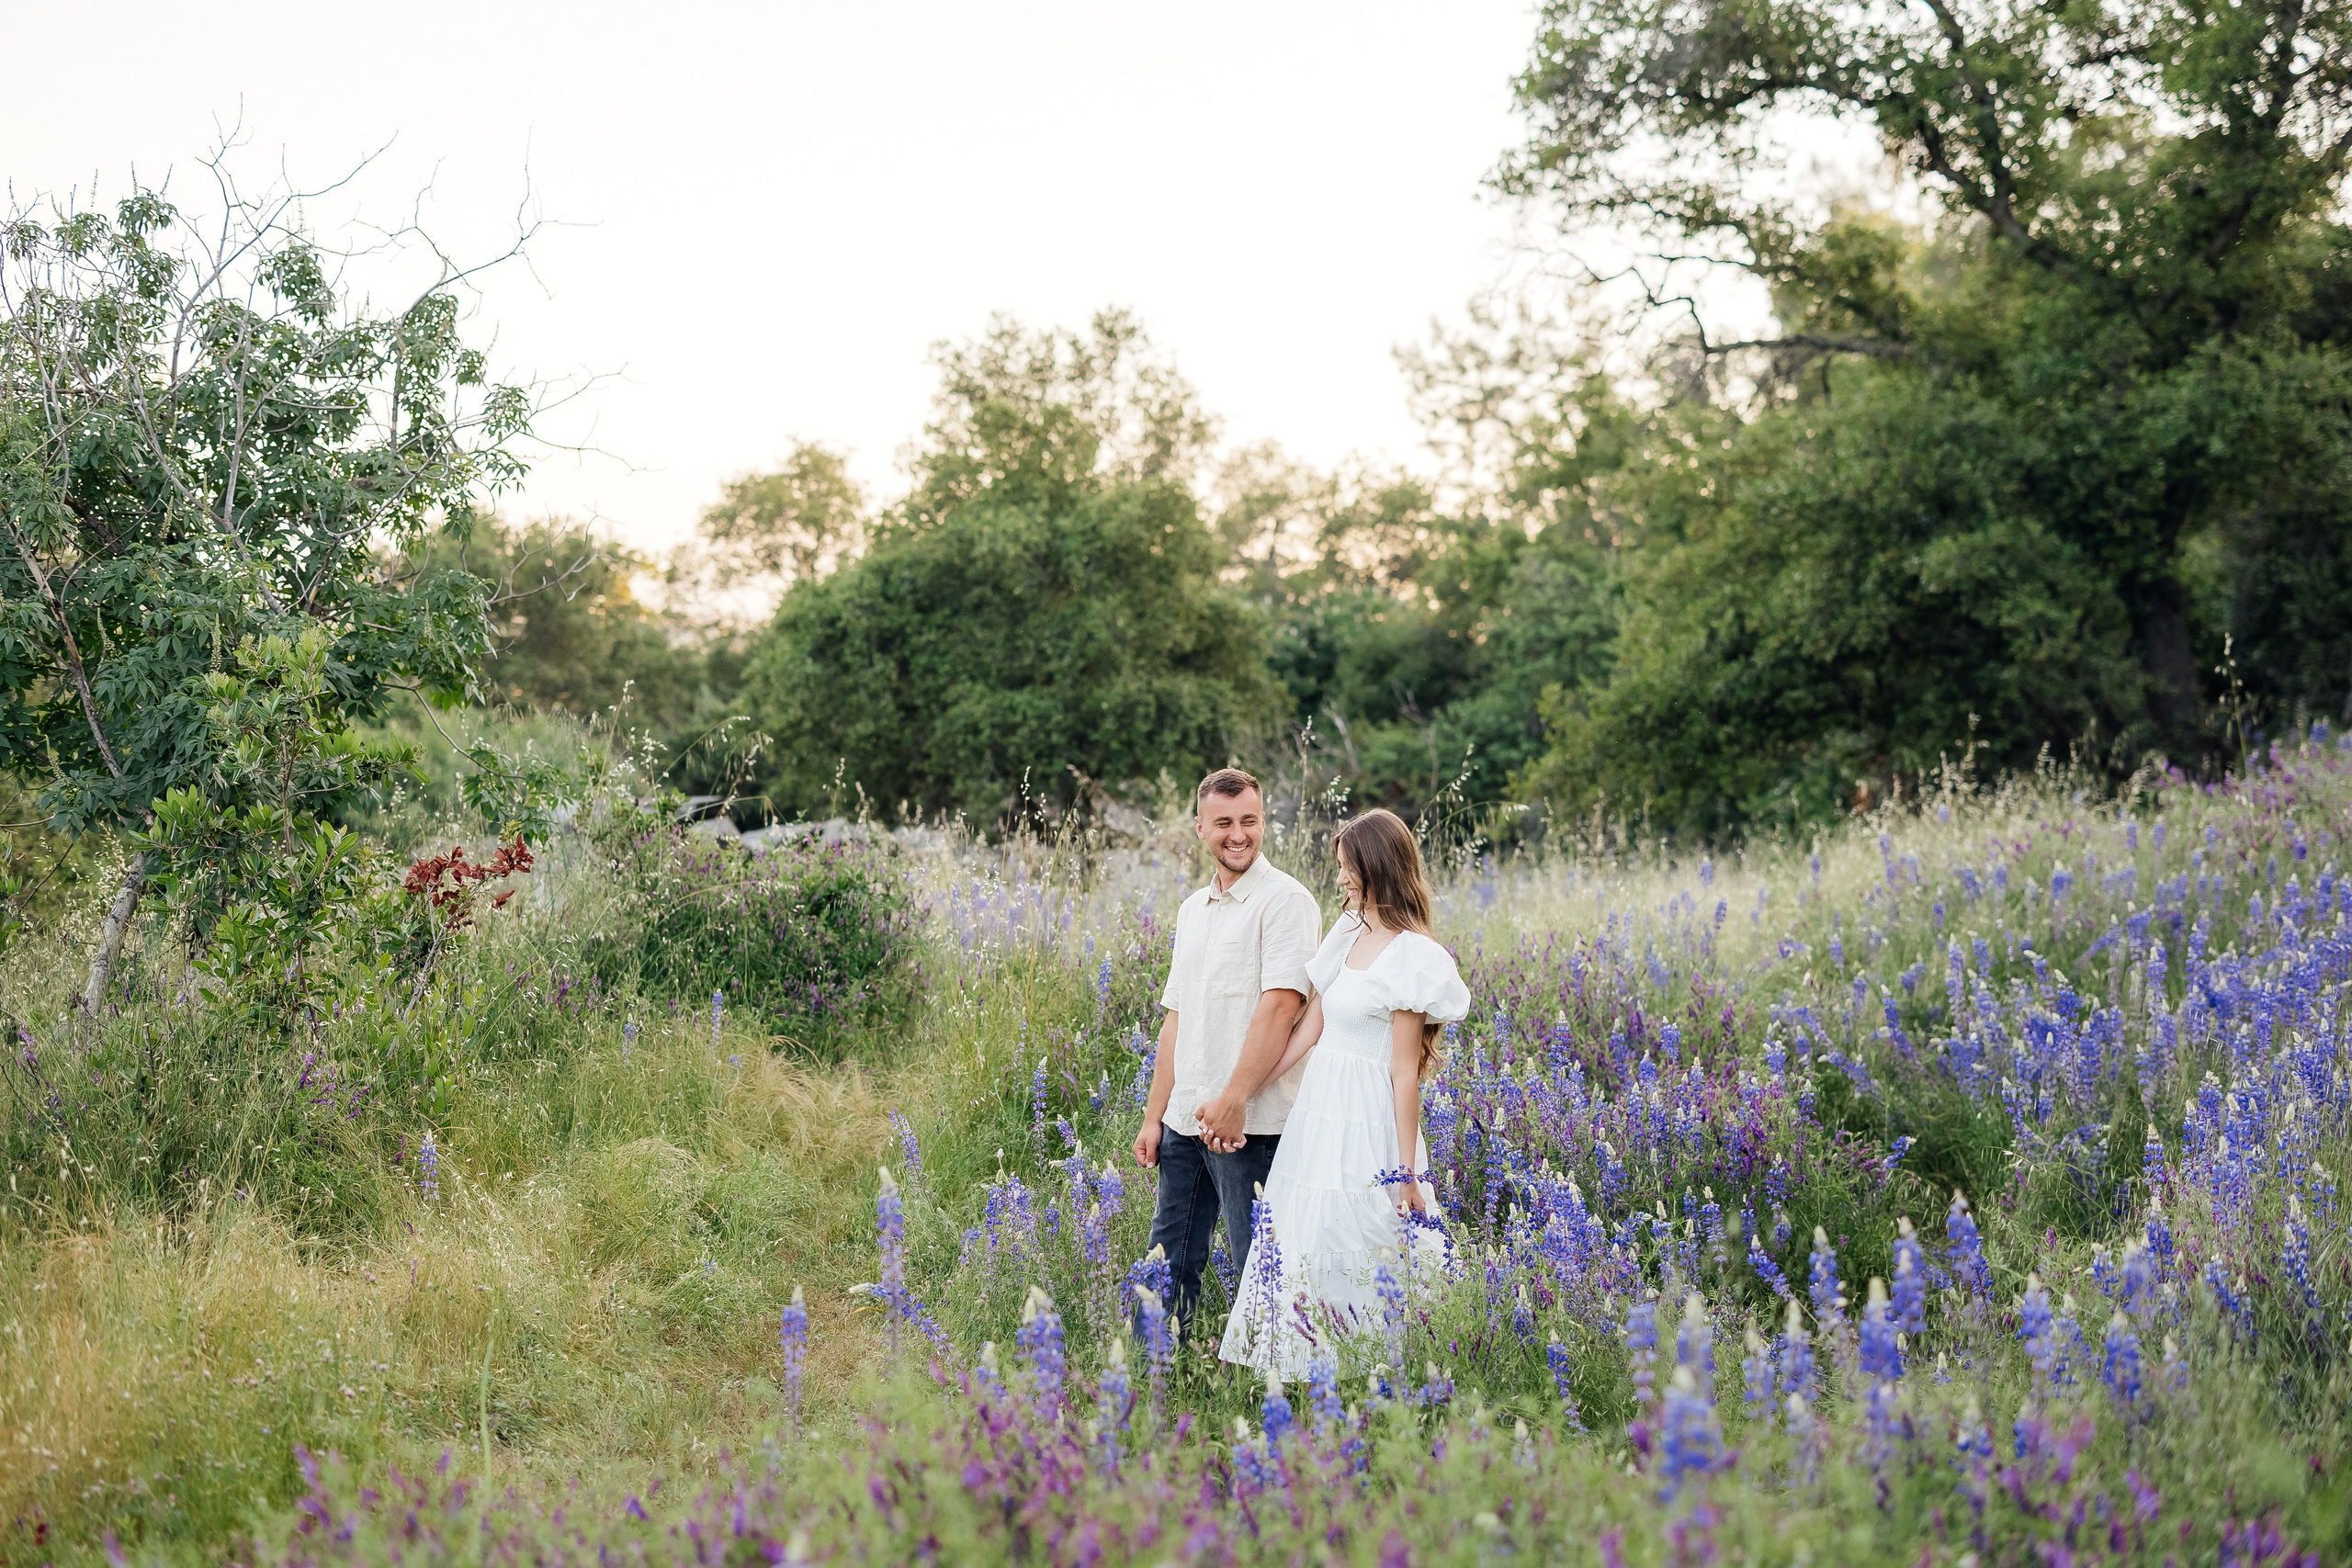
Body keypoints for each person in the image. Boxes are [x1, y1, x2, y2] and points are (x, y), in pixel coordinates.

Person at [1216, 807, 1468, 1378]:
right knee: (1303, 1230)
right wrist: (1251, 1086)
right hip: (1319, 1110)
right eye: (1339, 867)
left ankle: (1371, 1374)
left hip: (1368, 1114)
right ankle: (1298, 1370)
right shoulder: (1347, 931)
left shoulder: (1412, 955)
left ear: (1378, 865)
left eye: (1349, 866)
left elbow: (1406, 1072)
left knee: (1365, 1236)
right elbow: (1311, 1027)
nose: (1341, 878)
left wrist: (1407, 1171)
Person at [1132, 767, 1322, 1341]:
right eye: (1224, 823)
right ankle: (1153, 1379)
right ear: (1200, 829)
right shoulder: (1193, 909)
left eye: (1249, 821)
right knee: (1168, 1262)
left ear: (1263, 822)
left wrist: (1236, 1099)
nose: (1238, 835)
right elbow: (1178, 1019)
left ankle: (1273, 1396)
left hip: (1253, 1122)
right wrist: (1153, 1116)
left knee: (1257, 1269)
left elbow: (1281, 1008)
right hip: (1186, 1118)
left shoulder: (1286, 902)